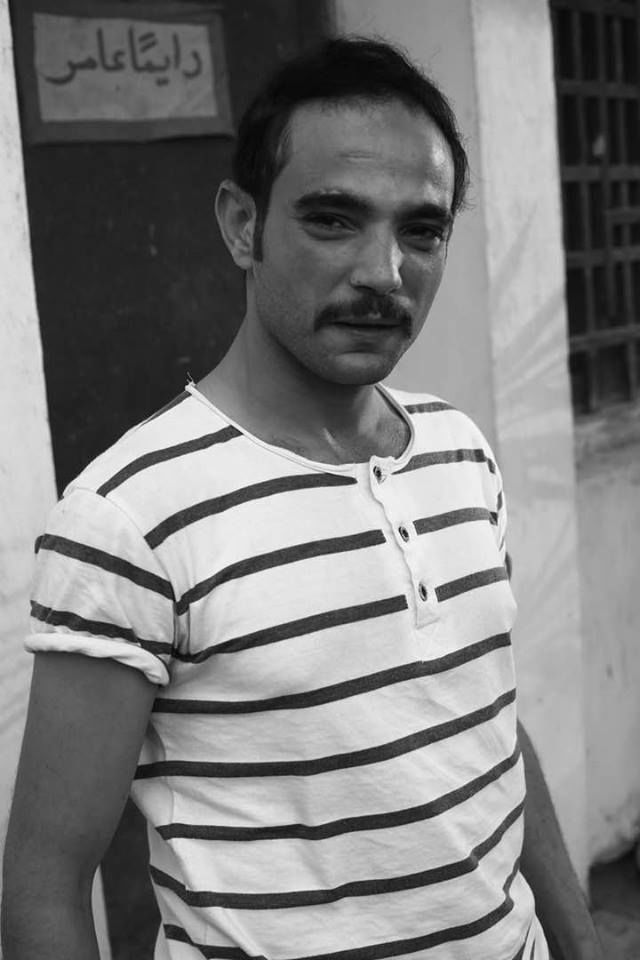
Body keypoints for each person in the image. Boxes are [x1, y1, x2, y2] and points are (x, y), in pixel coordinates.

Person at [2, 37, 602, 960]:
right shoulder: (131, 515)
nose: (383, 273)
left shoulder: (458, 454)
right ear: (243, 226)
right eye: (332, 220)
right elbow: (44, 886)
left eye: (422, 230)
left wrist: (579, 941)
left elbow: (485, 727)